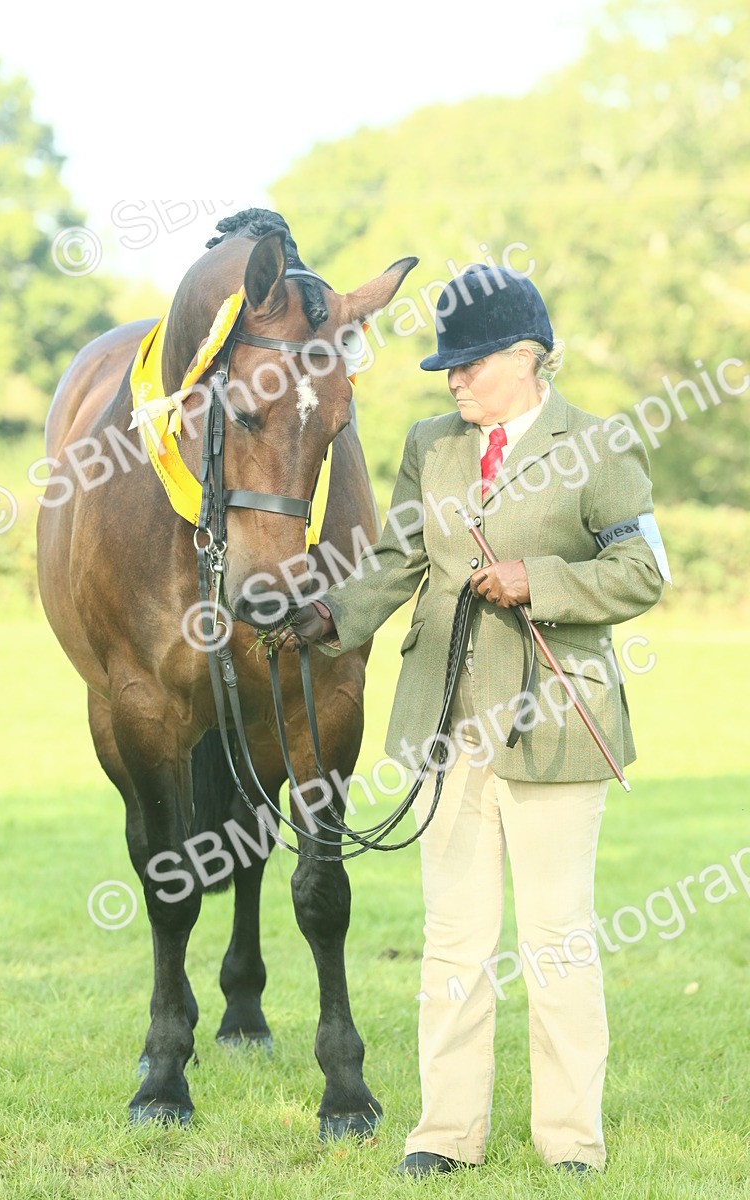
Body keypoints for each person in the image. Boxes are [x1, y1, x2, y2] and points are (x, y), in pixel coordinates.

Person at [270, 265, 668, 1177]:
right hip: (446, 726)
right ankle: (445, 1136)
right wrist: (331, 620)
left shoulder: (600, 447)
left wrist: (546, 581)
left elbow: (645, 574)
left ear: (529, 359)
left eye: (469, 364)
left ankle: (571, 1144)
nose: (452, 379)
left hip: (556, 722)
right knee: (454, 936)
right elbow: (399, 555)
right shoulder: (433, 445)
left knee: (556, 939)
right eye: (446, 366)